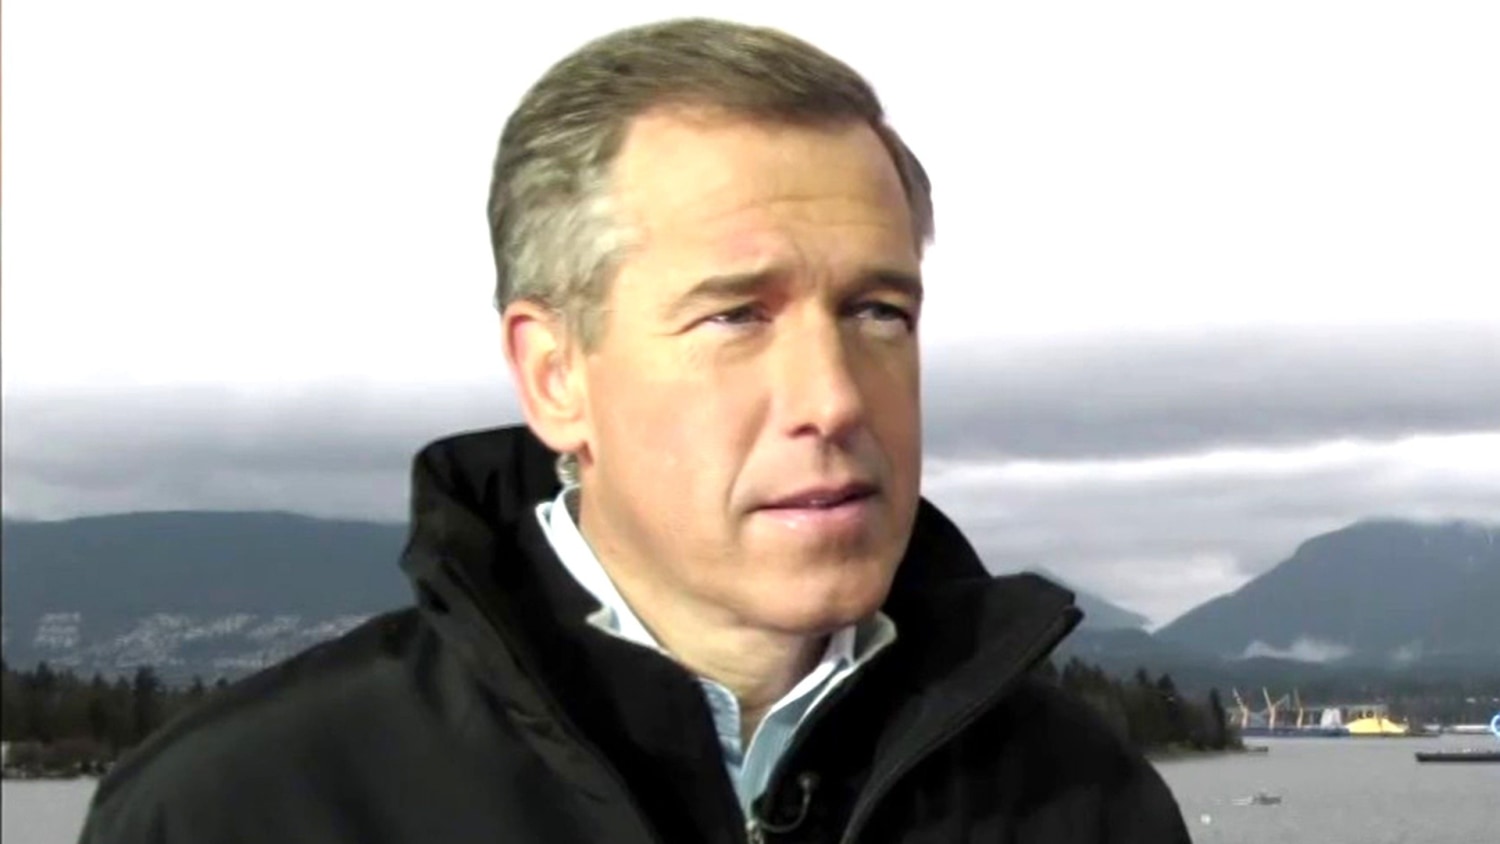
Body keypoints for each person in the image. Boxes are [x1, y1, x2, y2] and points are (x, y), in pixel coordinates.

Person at [80, 18, 1191, 843]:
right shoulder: (237, 810)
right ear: (556, 373)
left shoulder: (1088, 804)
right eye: (737, 316)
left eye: (877, 312)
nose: (837, 397)